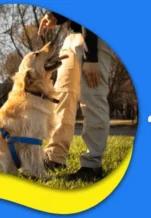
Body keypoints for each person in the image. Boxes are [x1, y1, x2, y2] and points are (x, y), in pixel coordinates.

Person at [38, 12, 112, 181]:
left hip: (95, 38)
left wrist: (91, 56)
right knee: (62, 97)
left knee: (92, 98)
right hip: (72, 36)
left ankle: (92, 166)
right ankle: (55, 157)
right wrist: (57, 16)